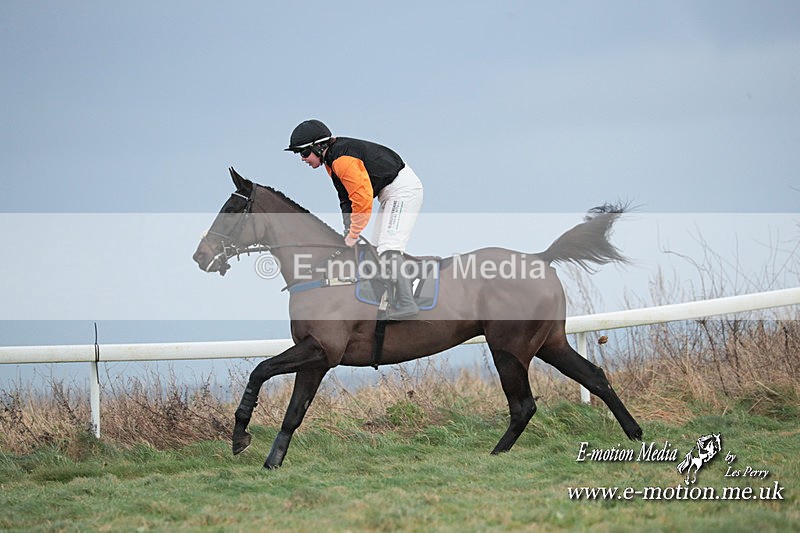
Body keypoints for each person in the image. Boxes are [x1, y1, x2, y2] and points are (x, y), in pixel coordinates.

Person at [285, 119, 424, 320]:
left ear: (319, 146)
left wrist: (354, 233)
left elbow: (362, 199)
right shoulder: (331, 161)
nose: (302, 158)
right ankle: (391, 298)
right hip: (389, 193)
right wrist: (348, 229)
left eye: (304, 153)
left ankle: (408, 304)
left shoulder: (342, 160)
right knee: (377, 250)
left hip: (402, 191)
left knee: (388, 249)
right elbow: (345, 198)